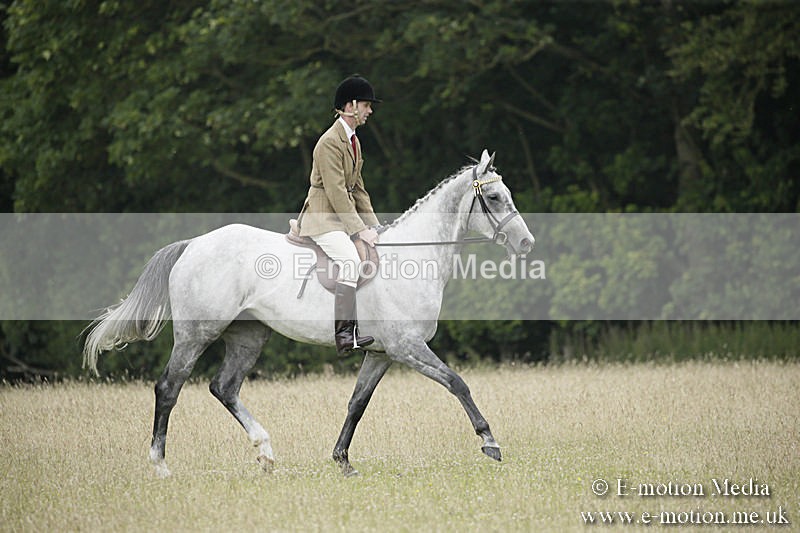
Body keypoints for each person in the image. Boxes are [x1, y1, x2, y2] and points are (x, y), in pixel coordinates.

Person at [297, 75, 381, 355]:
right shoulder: (329, 142)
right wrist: (358, 231)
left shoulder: (353, 142)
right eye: (367, 105)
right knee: (350, 260)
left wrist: (375, 226)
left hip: (339, 217)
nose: (370, 111)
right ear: (351, 105)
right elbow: (336, 193)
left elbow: (358, 190)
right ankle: (345, 334)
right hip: (322, 217)